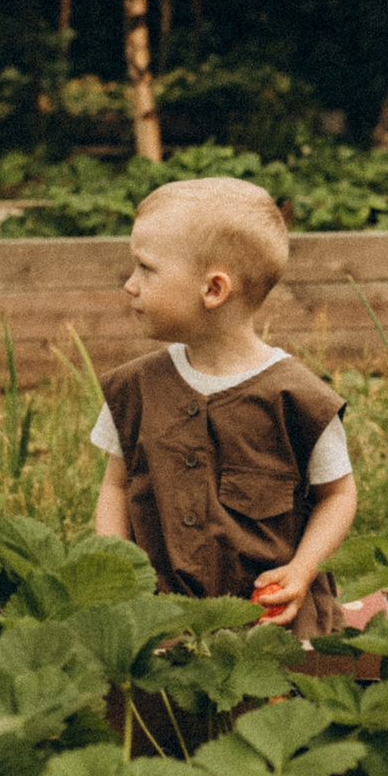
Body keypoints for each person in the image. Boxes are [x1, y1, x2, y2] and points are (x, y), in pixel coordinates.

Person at [92, 178, 358, 635]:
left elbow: (337, 496)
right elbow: (116, 488)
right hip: (161, 618)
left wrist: (302, 570)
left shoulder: (297, 400)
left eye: (146, 268)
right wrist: (116, 574)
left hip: (271, 622)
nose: (130, 285)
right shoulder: (135, 389)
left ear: (214, 290)